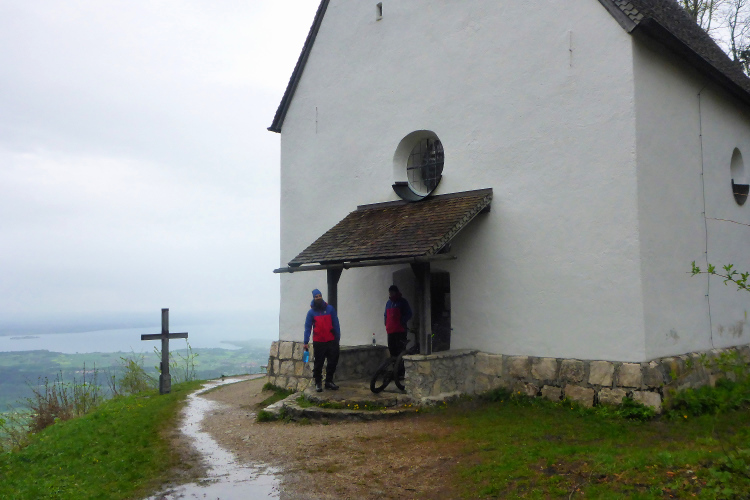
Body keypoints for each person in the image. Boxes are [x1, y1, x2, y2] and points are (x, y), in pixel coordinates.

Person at [303, 289, 341, 392]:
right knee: (319, 363)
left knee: (332, 361)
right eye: (316, 296)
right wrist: (305, 341)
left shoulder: (330, 309)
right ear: (314, 298)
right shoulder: (311, 313)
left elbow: (336, 323)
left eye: (319, 296)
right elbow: (308, 327)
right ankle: (318, 383)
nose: (318, 298)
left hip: (331, 340)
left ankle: (329, 381)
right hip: (319, 342)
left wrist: (337, 338)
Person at [384, 285, 412, 359]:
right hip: (390, 331)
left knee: (400, 350)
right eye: (390, 293)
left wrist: (402, 321)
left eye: (392, 292)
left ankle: (401, 365)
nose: (390, 294)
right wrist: (386, 322)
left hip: (400, 331)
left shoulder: (402, 302)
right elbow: (385, 314)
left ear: (396, 292)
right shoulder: (388, 303)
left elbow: (409, 314)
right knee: (392, 350)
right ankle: (394, 364)